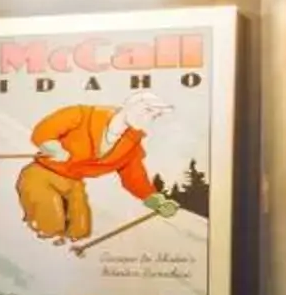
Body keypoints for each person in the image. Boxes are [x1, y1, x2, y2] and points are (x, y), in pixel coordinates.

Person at [17, 91, 181, 244]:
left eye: (155, 115)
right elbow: (44, 130)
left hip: (73, 183)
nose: (150, 117)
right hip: (41, 175)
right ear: (130, 106)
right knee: (50, 226)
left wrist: (157, 202)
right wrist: (53, 147)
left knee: (80, 231)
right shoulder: (82, 115)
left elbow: (135, 177)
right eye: (148, 110)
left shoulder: (132, 145)